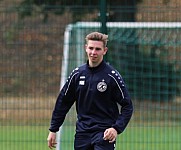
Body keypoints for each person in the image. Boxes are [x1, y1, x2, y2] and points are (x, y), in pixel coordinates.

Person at [47, 32, 133, 150]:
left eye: (98, 49)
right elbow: (63, 102)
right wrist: (53, 129)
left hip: (104, 133)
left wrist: (116, 128)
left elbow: (127, 106)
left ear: (105, 51)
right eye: (91, 48)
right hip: (82, 133)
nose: (93, 52)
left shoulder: (112, 76)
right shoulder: (77, 74)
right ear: (85, 48)